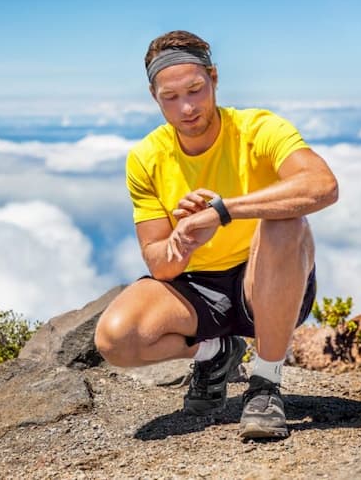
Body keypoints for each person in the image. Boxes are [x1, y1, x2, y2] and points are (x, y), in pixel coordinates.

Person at [94, 30, 339, 439]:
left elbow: (322, 185)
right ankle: (217, 351)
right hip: (198, 288)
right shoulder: (146, 158)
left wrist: (223, 212)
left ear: (214, 78)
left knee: (284, 220)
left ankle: (265, 382)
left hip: (266, 282)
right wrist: (185, 240)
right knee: (116, 339)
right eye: (170, 97)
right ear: (154, 96)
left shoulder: (258, 129)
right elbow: (159, 263)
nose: (187, 107)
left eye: (195, 89)